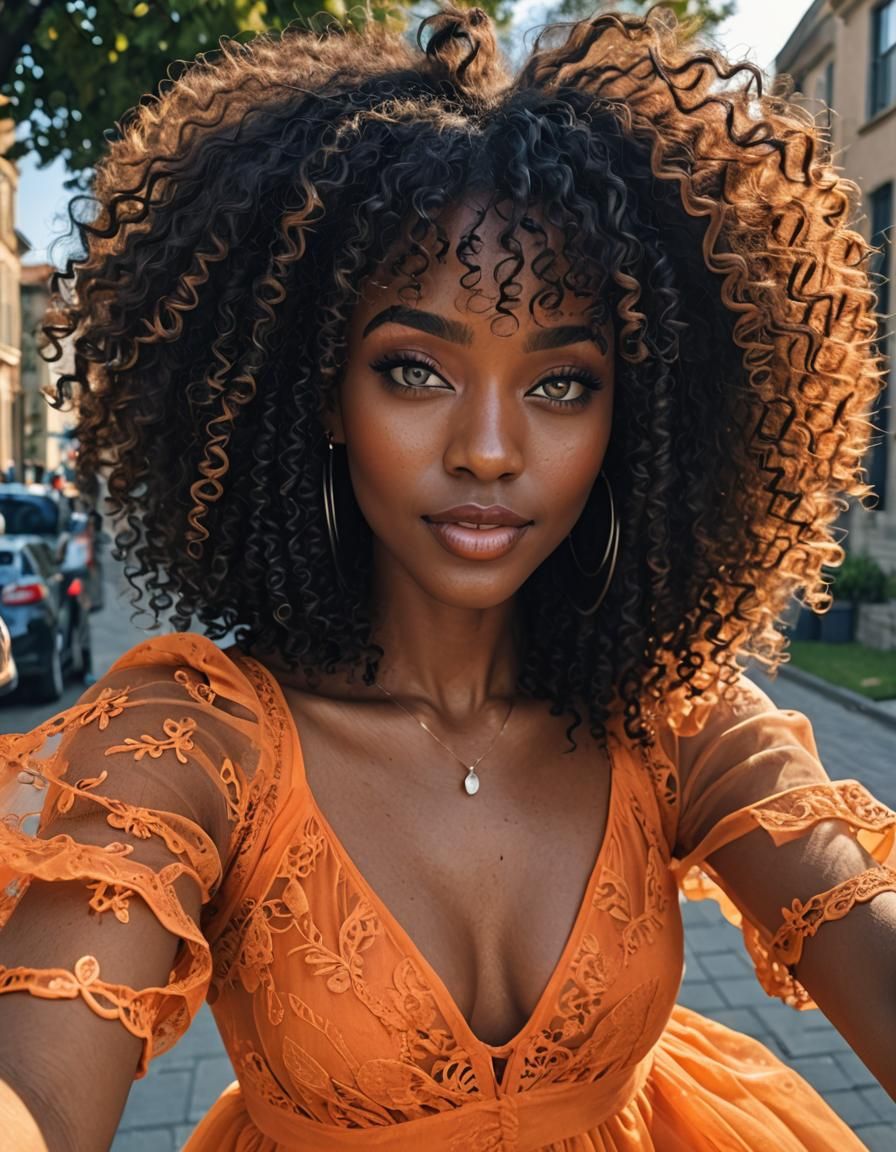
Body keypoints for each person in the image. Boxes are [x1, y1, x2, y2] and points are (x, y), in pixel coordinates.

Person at [1, 4, 894, 1150]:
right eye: (414, 370)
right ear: (322, 392)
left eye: (560, 384)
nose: (487, 449)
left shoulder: (672, 717)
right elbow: (35, 1094)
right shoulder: (193, 746)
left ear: (631, 417)